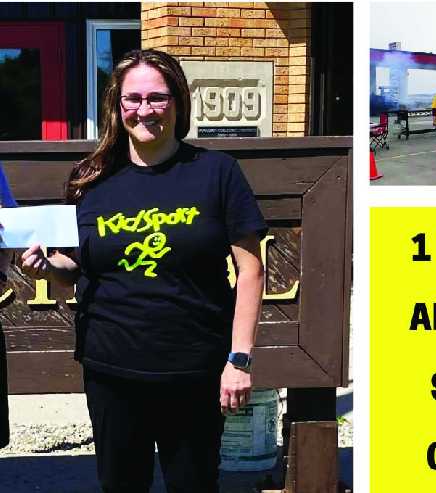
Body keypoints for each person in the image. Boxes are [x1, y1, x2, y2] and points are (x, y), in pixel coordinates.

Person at [18, 48, 265, 492]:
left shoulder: (217, 172)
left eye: (157, 98)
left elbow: (250, 271)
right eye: (133, 99)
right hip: (111, 368)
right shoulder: (90, 179)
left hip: (194, 368)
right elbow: (74, 269)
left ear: (177, 102)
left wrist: (239, 359)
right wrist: (46, 266)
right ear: (117, 105)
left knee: (193, 484)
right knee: (120, 485)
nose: (144, 110)